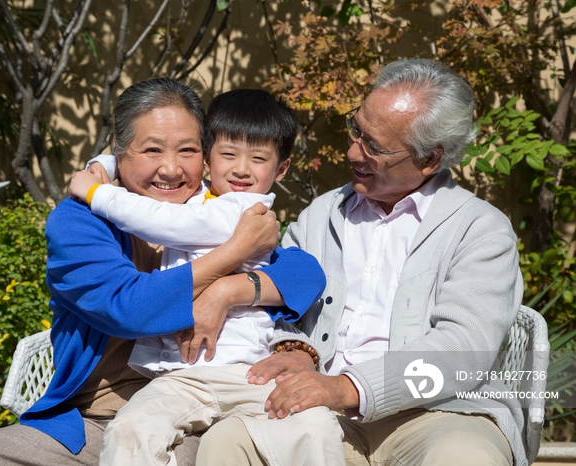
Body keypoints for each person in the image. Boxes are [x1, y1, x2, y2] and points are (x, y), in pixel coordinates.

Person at [0, 78, 326, 465]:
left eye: (186, 151)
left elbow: (305, 275)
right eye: (152, 150)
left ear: (205, 156)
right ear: (119, 153)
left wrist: (229, 291)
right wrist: (235, 252)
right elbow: (129, 308)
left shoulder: (210, 209)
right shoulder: (80, 221)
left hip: (195, 410)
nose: (170, 169)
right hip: (89, 421)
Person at [196, 58, 526, 466]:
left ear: (429, 159)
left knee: (465, 457)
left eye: (375, 146)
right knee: (229, 441)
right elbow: (282, 305)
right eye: (357, 129)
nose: (352, 150)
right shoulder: (322, 214)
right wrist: (297, 349)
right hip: (321, 412)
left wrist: (347, 387)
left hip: (440, 414)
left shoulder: (480, 229)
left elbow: (464, 349)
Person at [68, 89, 344, 465]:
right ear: (210, 156)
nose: (242, 169)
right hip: (179, 377)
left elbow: (162, 222)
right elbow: (128, 306)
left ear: (280, 170)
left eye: (258, 159)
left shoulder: (244, 208)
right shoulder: (195, 196)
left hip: (248, 372)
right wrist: (105, 163)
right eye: (228, 154)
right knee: (131, 430)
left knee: (313, 424)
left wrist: (95, 189)